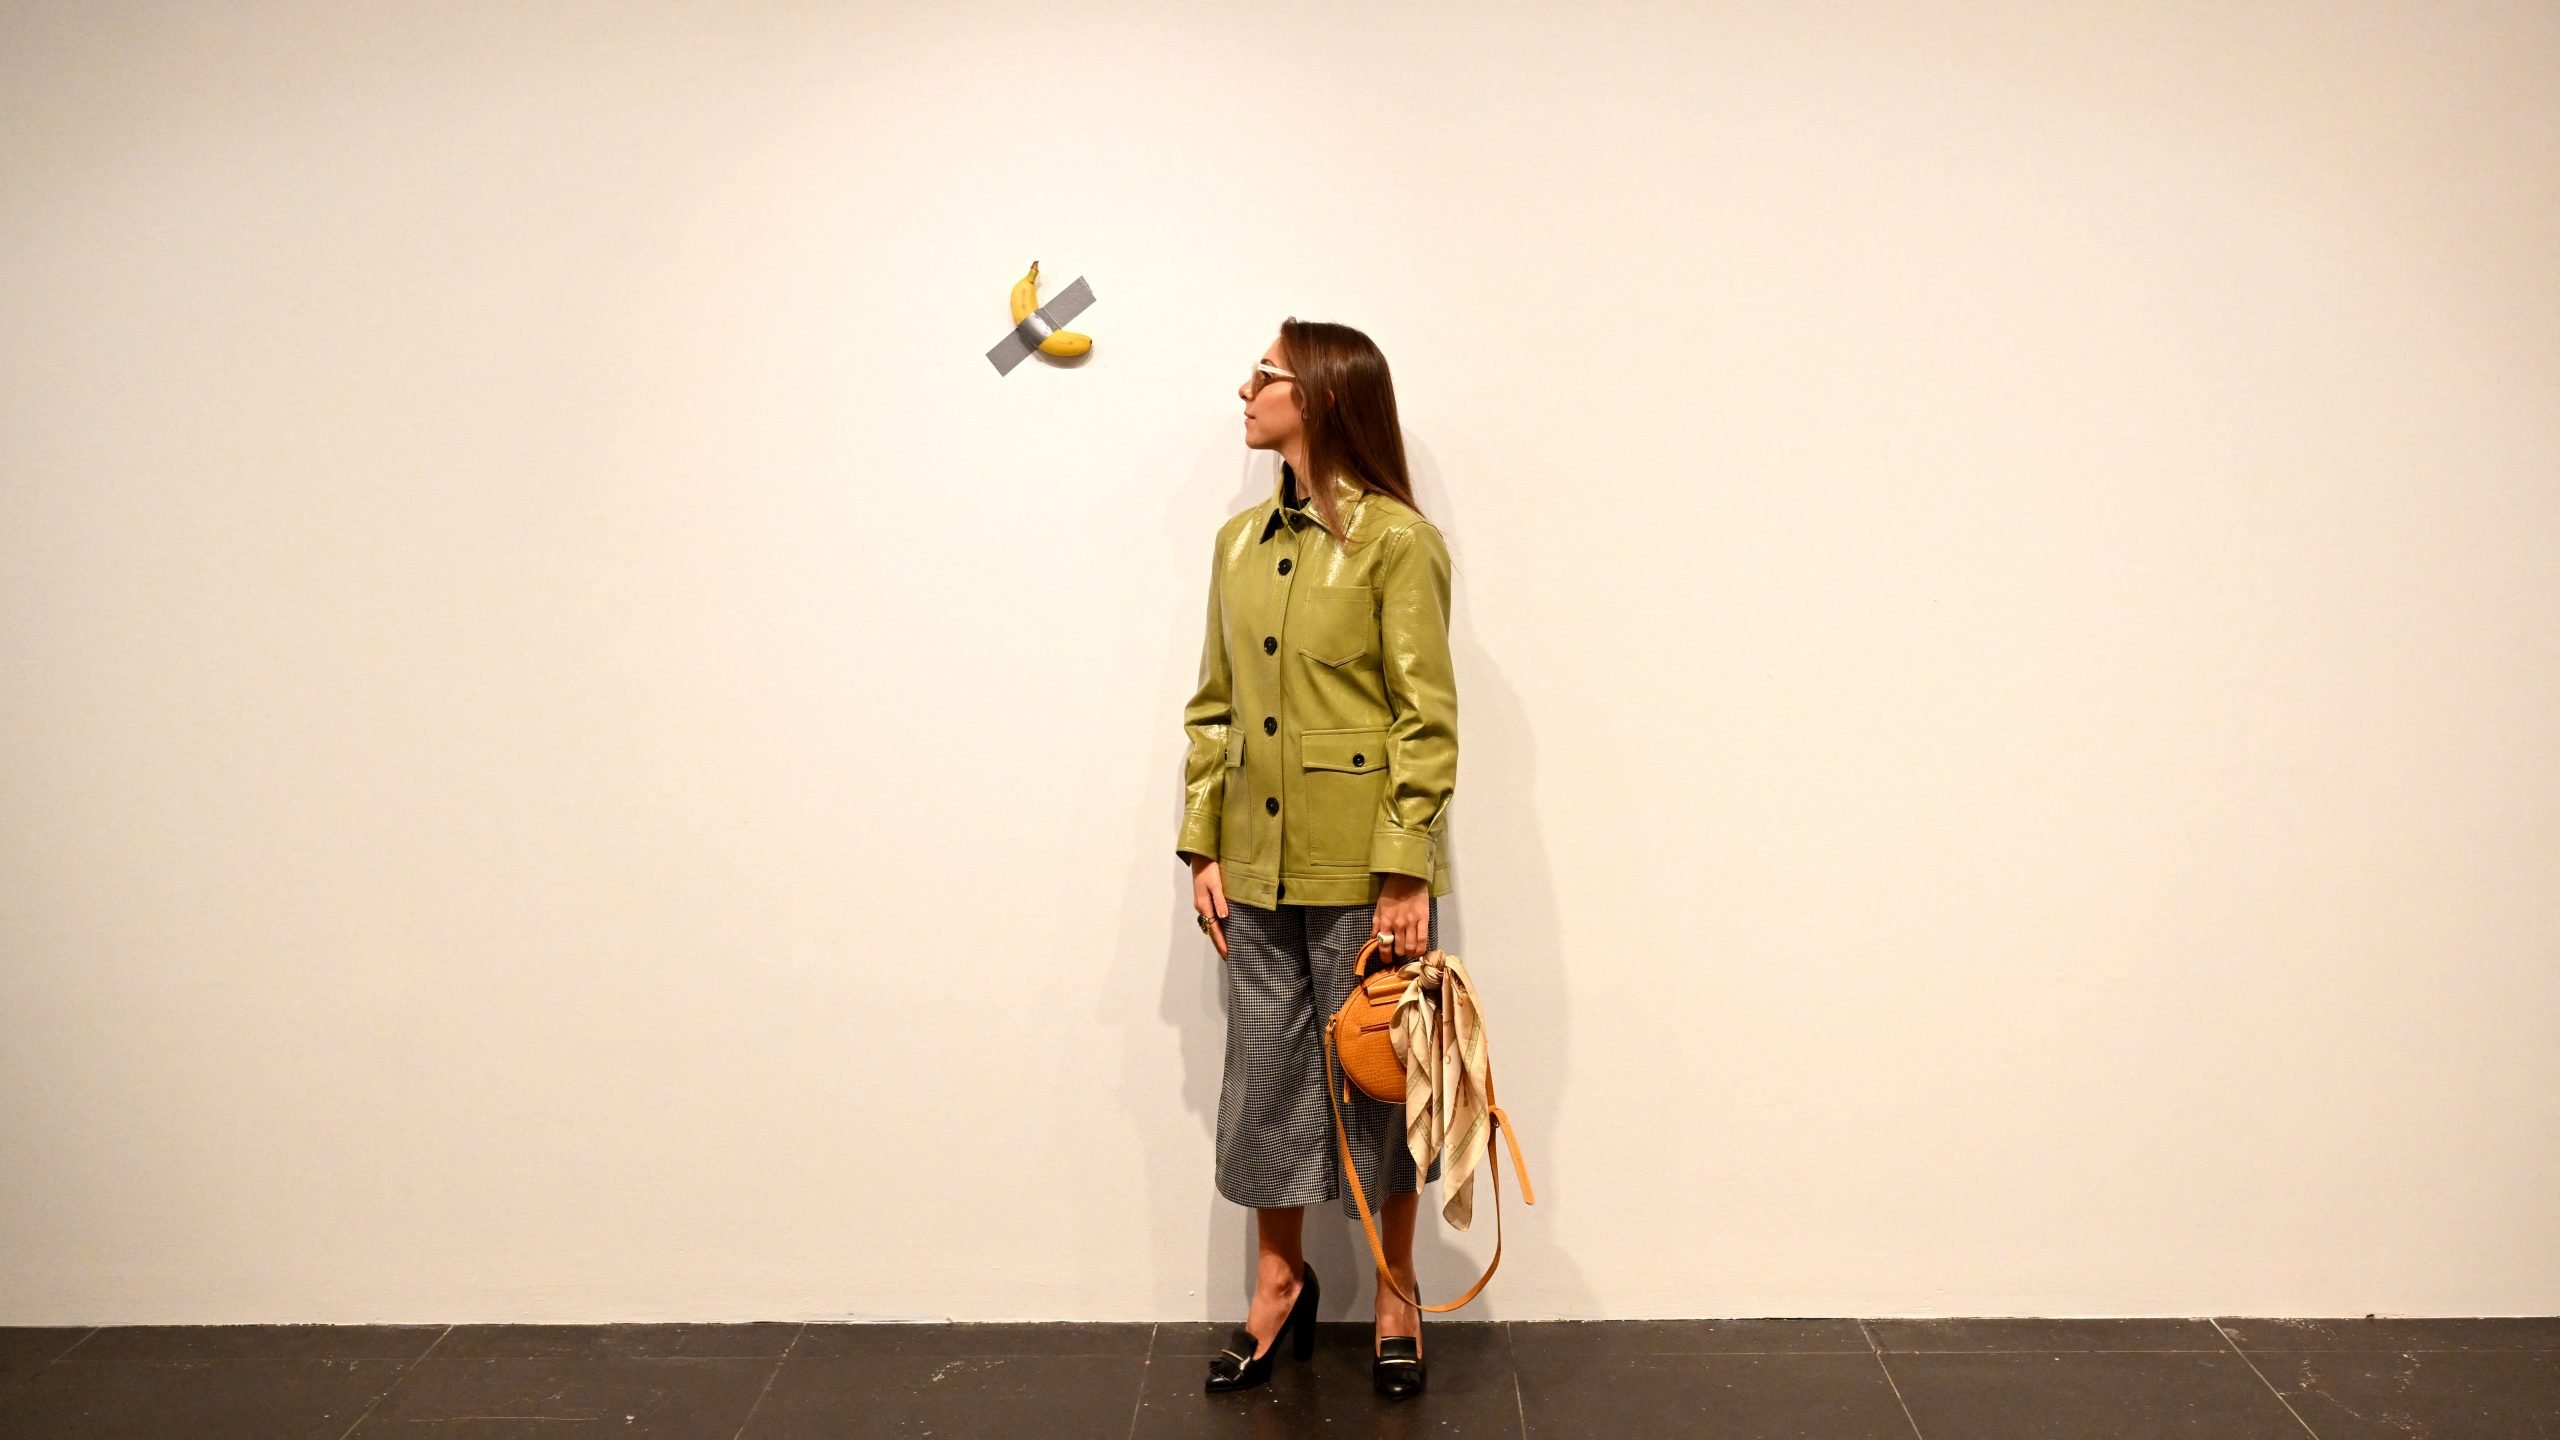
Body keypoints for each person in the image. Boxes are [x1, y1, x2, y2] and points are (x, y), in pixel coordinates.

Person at [1176, 318, 1458, 1401]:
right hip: (1251, 863)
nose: (1244, 389)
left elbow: (1423, 718)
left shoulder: (1396, 543)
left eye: (1267, 375)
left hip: (1361, 868)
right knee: (1264, 1080)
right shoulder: (1236, 546)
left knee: (1376, 1078)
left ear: (1325, 396)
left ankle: (1396, 1289)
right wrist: (1202, 836)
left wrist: (1405, 866)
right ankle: (1279, 1285)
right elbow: (1213, 707)